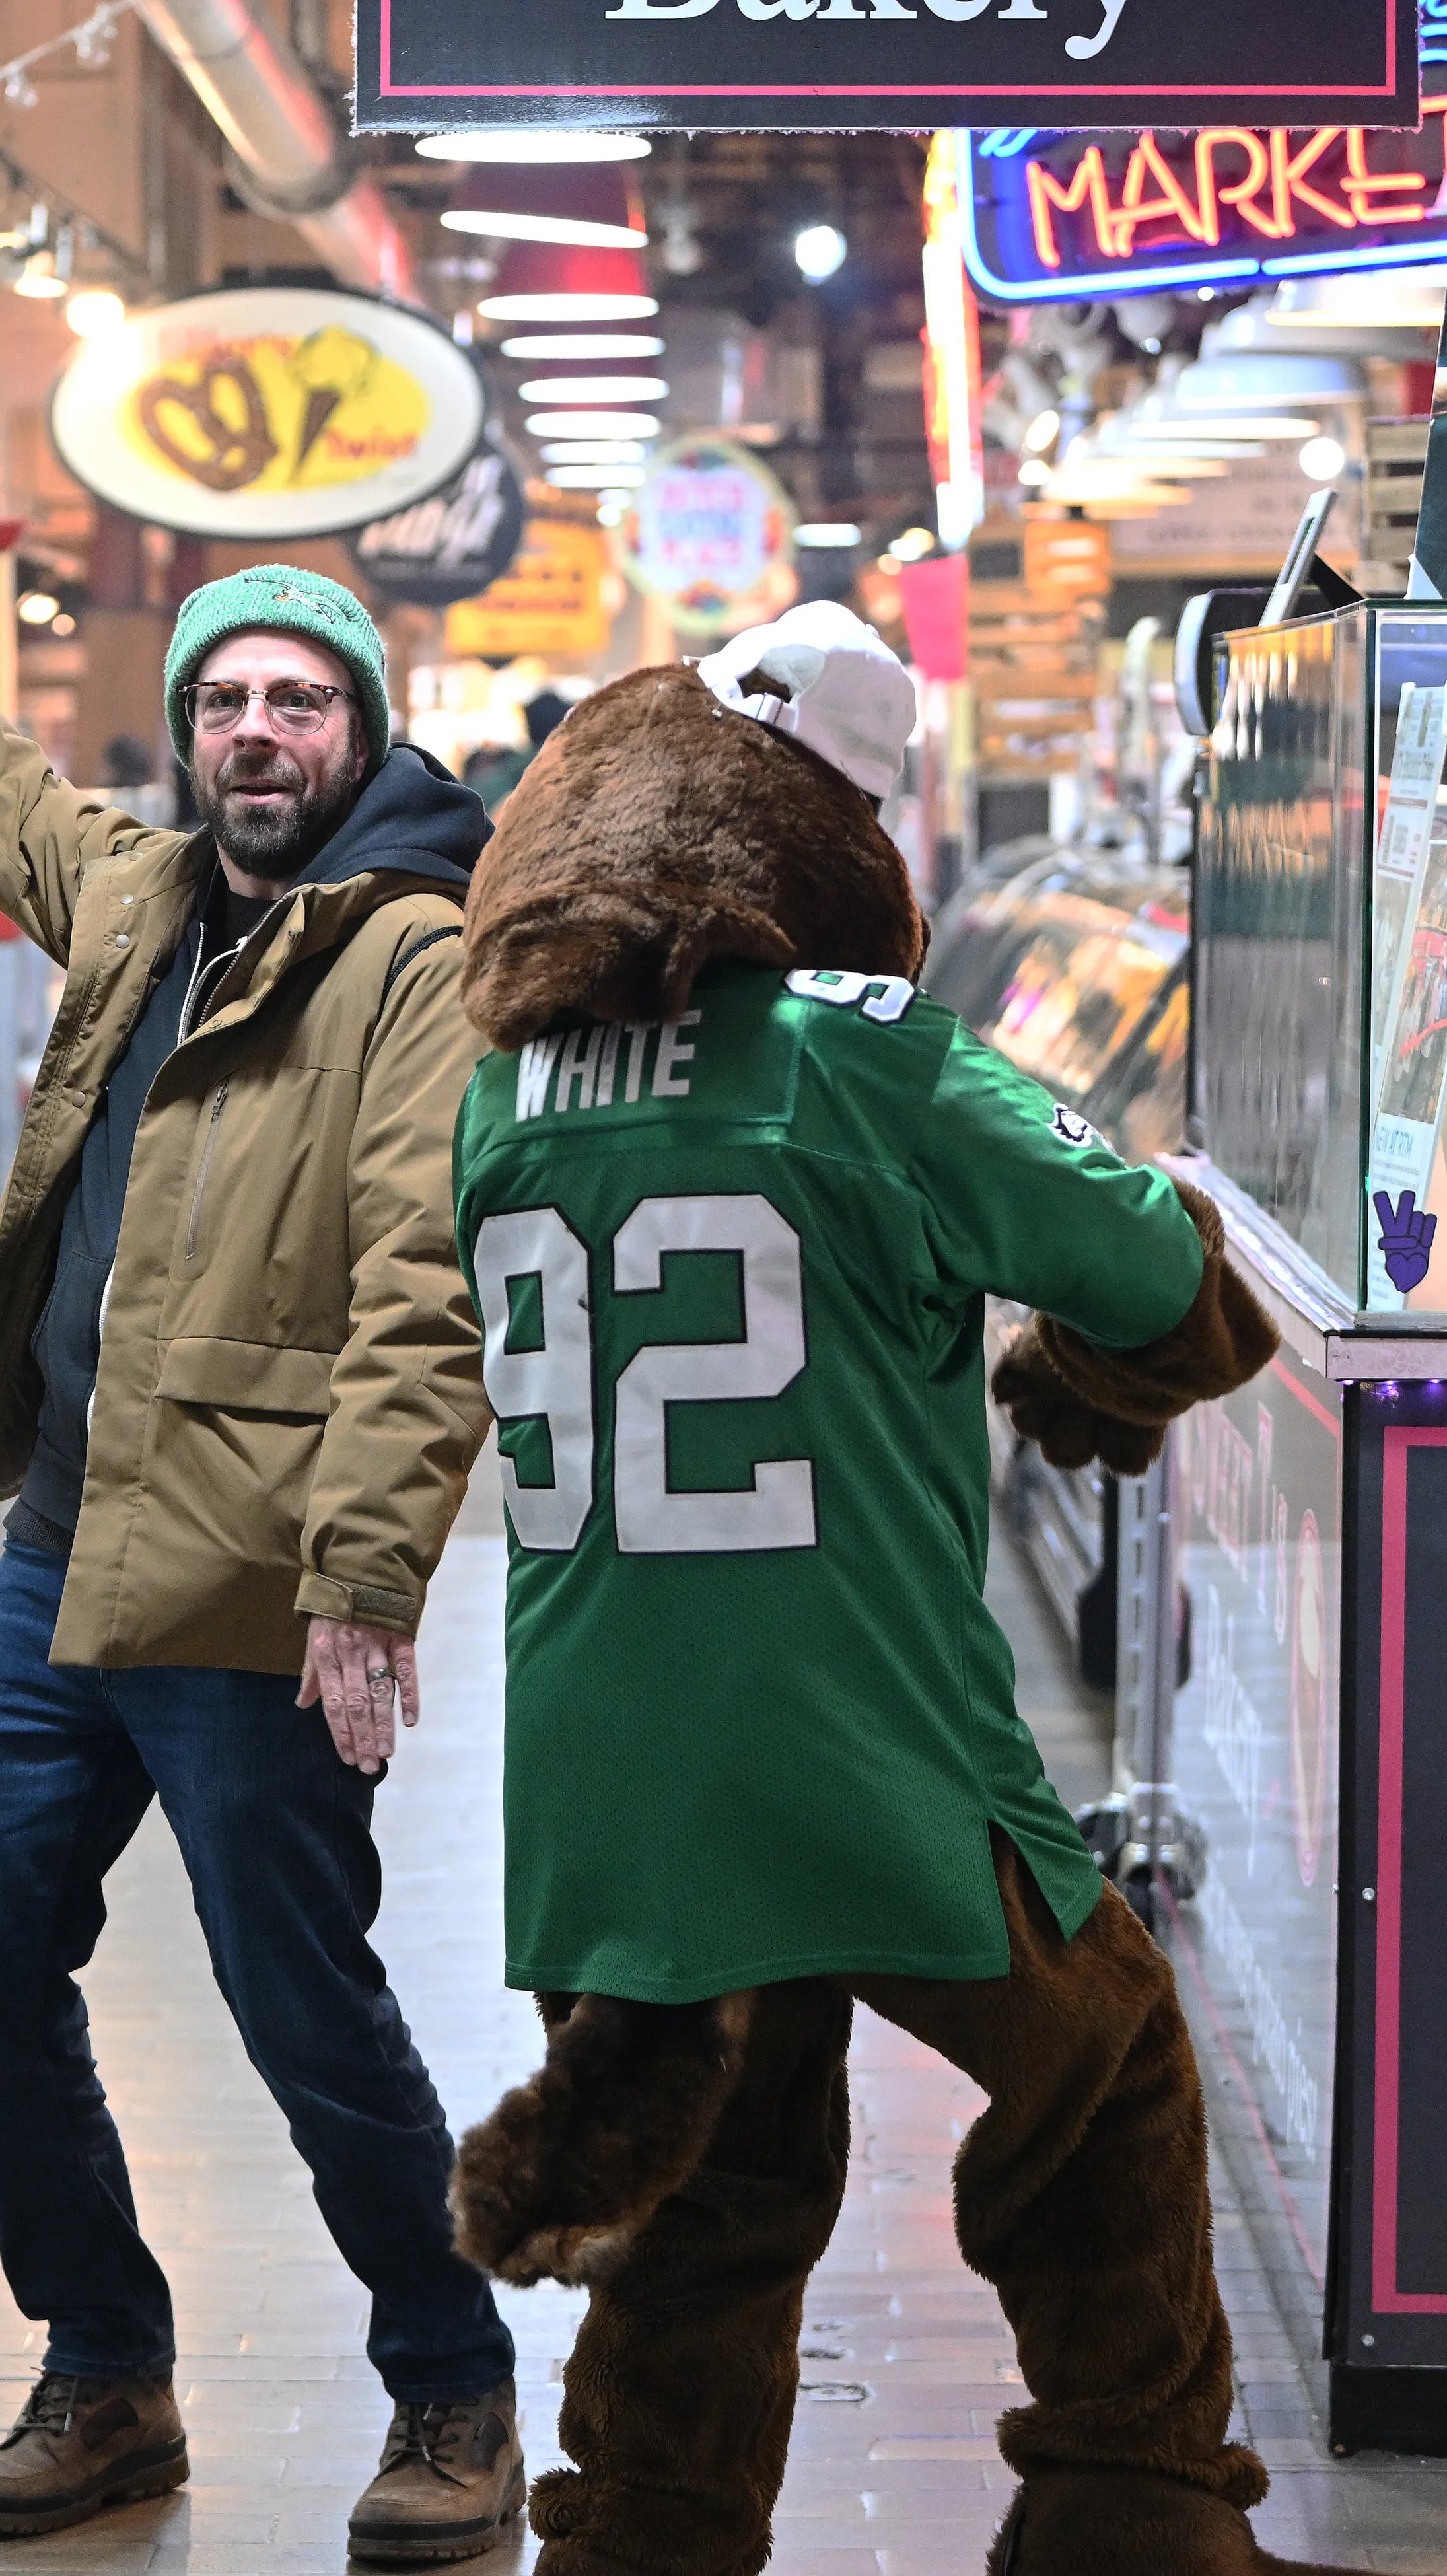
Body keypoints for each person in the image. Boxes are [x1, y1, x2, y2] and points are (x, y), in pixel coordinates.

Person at [444, 600, 1370, 2576]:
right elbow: (1139, 1263)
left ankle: (640, 2538)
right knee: (1104, 2058)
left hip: (603, 1769)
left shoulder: (498, 1093)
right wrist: (1093, 1355)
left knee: (716, 2176)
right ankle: (1130, 2499)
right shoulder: (860, 1057)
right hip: (859, 1721)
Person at [0, 351, 520, 2554]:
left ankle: (457, 2390)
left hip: (251, 1587)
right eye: (227, 704)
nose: (257, 736)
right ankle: (107, 2372)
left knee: (311, 2019)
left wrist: (368, 1579)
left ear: (359, 732)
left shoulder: (414, 957)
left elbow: (426, 1277)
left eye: (302, 704)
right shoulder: (135, 904)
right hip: (63, 1561)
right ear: (188, 729)